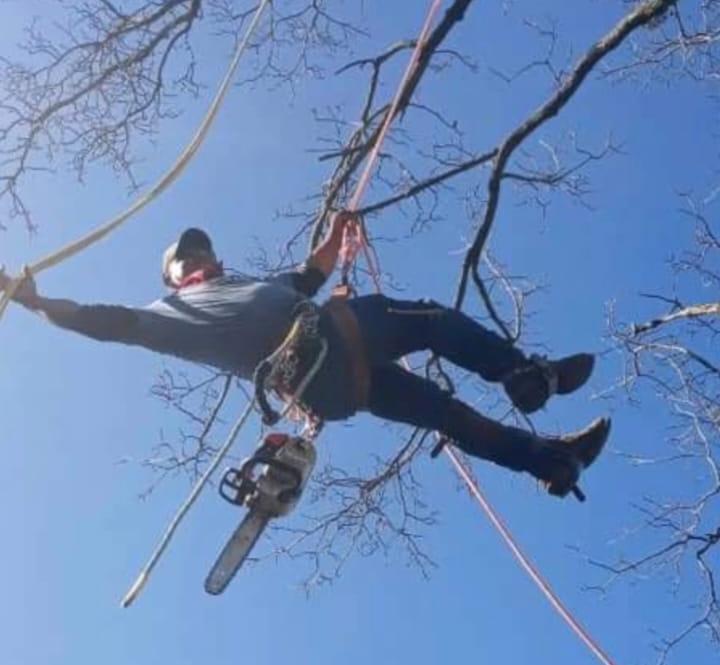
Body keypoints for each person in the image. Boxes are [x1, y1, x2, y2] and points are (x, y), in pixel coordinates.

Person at [0, 217, 610, 497]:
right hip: (318, 368)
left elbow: (309, 275)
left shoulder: (256, 285)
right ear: (173, 274)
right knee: (427, 321)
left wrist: (338, 237)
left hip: (341, 363)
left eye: (205, 250)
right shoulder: (168, 316)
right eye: (188, 257)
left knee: (446, 402)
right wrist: (34, 303)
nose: (202, 258)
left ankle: (549, 452)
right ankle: (524, 380)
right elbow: (102, 323)